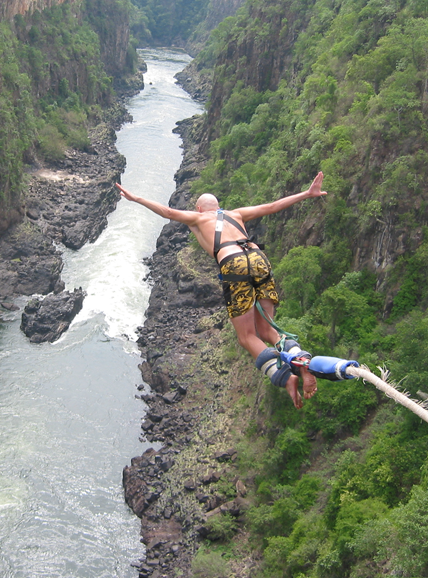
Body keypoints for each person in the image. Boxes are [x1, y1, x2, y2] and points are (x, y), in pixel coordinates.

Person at [116, 172, 328, 408]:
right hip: (258, 257)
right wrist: (307, 194)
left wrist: (136, 199)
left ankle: (286, 378)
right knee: (268, 331)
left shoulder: (197, 219)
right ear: (219, 207)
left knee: (247, 337)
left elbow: (167, 212)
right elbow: (272, 206)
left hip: (233, 262)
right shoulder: (236, 214)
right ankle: (300, 361)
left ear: (199, 208)